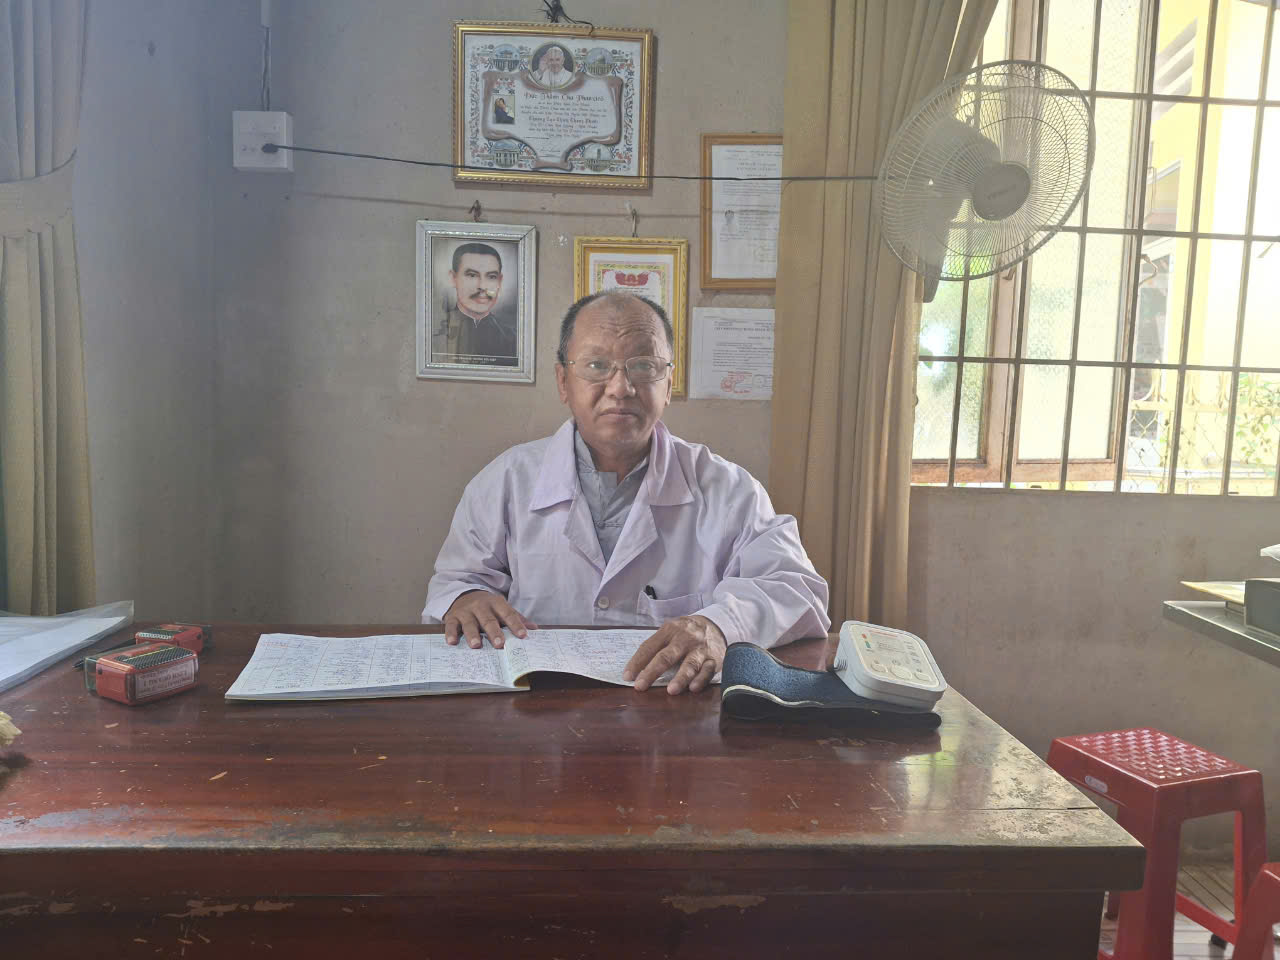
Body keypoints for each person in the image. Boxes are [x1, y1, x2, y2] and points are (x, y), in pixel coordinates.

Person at [423, 292, 830, 694]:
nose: (620, 388)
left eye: (644, 366)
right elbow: (455, 581)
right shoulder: (506, 480)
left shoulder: (729, 489)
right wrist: (466, 597)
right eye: (597, 365)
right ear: (563, 381)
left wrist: (719, 625)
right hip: (539, 706)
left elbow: (798, 590)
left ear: (668, 384)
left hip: (675, 708)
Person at [431, 242, 517, 366]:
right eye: (472, 275)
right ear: (453, 278)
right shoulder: (432, 335)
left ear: (500, 281)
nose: (482, 286)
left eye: (491, 276)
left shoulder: (514, 340)